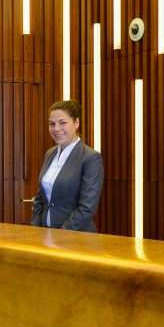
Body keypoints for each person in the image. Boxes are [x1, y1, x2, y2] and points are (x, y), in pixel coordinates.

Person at [31, 99, 104, 232]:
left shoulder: (90, 158)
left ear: (76, 123)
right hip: (45, 235)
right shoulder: (50, 154)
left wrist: (61, 235)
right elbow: (40, 199)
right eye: (52, 124)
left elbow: (87, 208)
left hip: (76, 237)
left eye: (63, 123)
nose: (56, 129)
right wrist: (36, 231)